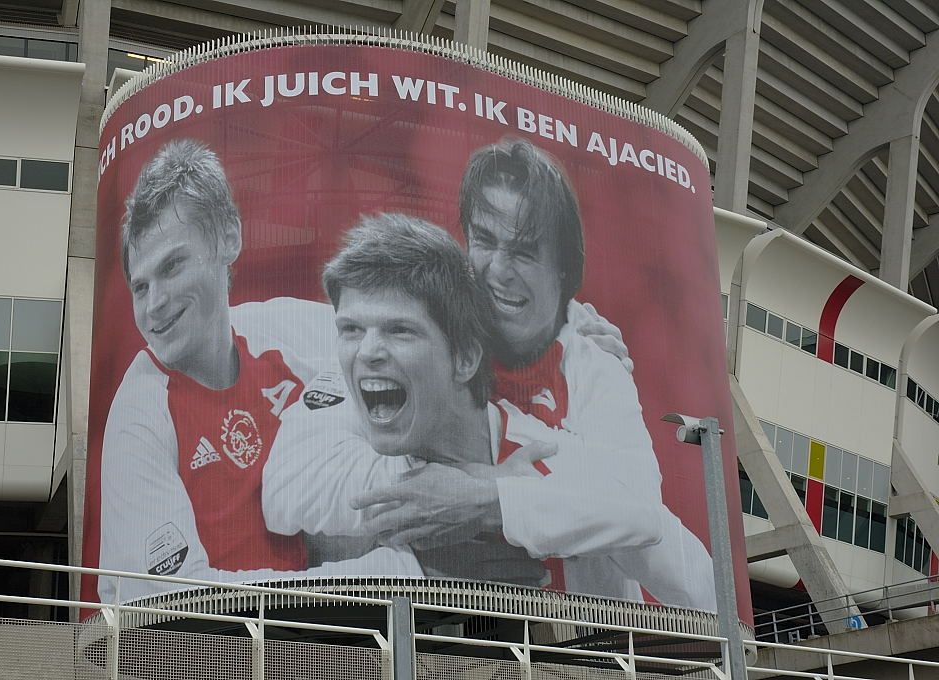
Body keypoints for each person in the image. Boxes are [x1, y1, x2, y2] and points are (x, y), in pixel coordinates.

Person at [364, 138, 716, 608]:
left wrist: (487, 498)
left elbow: (641, 517)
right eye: (485, 241)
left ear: (564, 269)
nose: (499, 271)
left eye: (525, 252)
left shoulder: (592, 359)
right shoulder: (432, 333)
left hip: (580, 647)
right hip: (452, 634)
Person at [264, 214, 665, 591]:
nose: (368, 349)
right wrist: (476, 494)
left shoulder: (558, 412)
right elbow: (285, 494)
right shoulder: (344, 380)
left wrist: (489, 503)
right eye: (350, 328)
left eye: (400, 330)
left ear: (466, 357)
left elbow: (646, 521)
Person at [97, 139, 418, 603]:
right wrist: (390, 573)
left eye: (172, 266)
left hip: (314, 641)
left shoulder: (290, 333)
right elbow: (169, 604)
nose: (154, 305)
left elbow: (416, 369)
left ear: (229, 238)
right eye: (140, 286)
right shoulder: (140, 411)